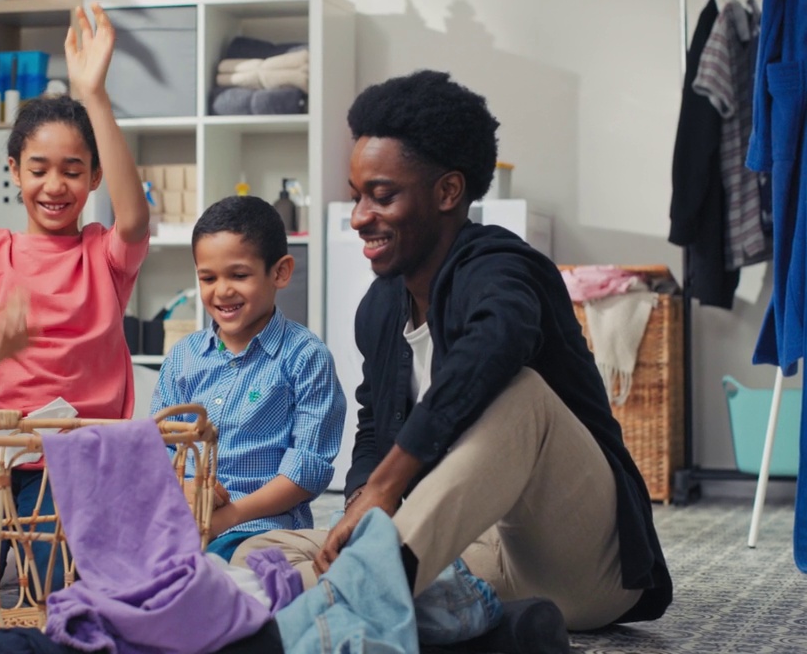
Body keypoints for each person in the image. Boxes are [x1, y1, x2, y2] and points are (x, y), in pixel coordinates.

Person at [233, 70, 672, 646]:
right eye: (357, 194)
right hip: (471, 551)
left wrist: (390, 486)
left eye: (382, 195)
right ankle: (484, 622)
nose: (360, 215)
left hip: (585, 561)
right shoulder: (382, 308)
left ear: (447, 192)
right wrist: (364, 501)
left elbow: (497, 343)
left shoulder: (503, 268)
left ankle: (329, 610)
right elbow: (372, 429)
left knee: (523, 394)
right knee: (263, 548)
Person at [0, 3, 151, 612]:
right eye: (39, 169)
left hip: (74, 455)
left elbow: (134, 220)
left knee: (50, 592)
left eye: (72, 170)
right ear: (14, 171)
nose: (54, 185)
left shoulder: (102, 256)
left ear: (93, 179)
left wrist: (94, 93)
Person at [151, 195, 346, 562]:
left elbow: (306, 470)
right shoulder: (183, 357)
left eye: (239, 275)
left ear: (280, 272)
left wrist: (226, 518)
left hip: (257, 528)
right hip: (182, 521)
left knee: (242, 570)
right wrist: (185, 486)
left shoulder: (306, 358)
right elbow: (159, 446)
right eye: (208, 278)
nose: (222, 290)